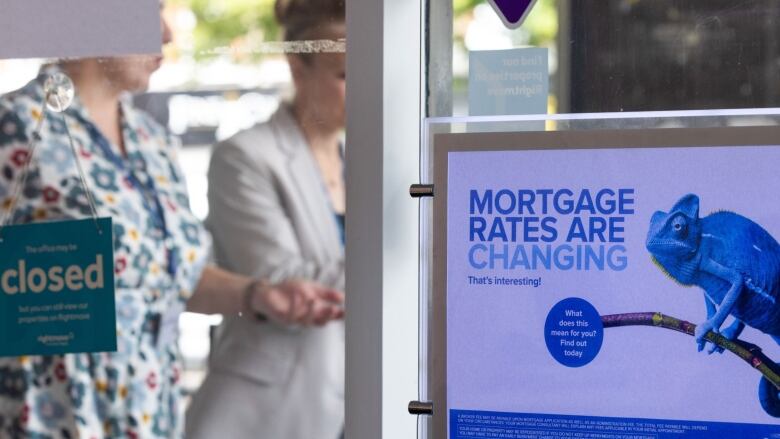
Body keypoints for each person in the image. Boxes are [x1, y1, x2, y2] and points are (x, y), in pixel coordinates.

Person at [0, 9, 344, 439]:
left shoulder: (152, 140)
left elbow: (170, 277)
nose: (165, 33)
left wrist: (256, 294)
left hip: (150, 414)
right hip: (51, 417)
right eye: (148, 12)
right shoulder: (14, 127)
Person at [185, 0, 346, 438]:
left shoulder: (365, 165)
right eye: (345, 75)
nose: (365, 88)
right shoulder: (244, 157)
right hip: (265, 412)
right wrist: (415, 254)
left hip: (359, 403)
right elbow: (282, 278)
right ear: (298, 68)